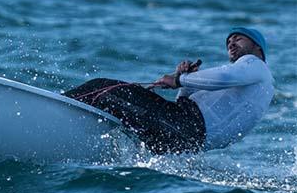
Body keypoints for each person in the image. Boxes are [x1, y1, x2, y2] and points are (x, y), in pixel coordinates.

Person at [64, 27, 274, 155]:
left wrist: (179, 79)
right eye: (228, 41)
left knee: (102, 87)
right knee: (114, 110)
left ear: (257, 47)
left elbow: (225, 77)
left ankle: (56, 104)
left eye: (238, 38)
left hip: (183, 126)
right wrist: (186, 85)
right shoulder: (251, 84)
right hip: (184, 141)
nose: (231, 43)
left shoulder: (254, 64)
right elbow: (193, 109)